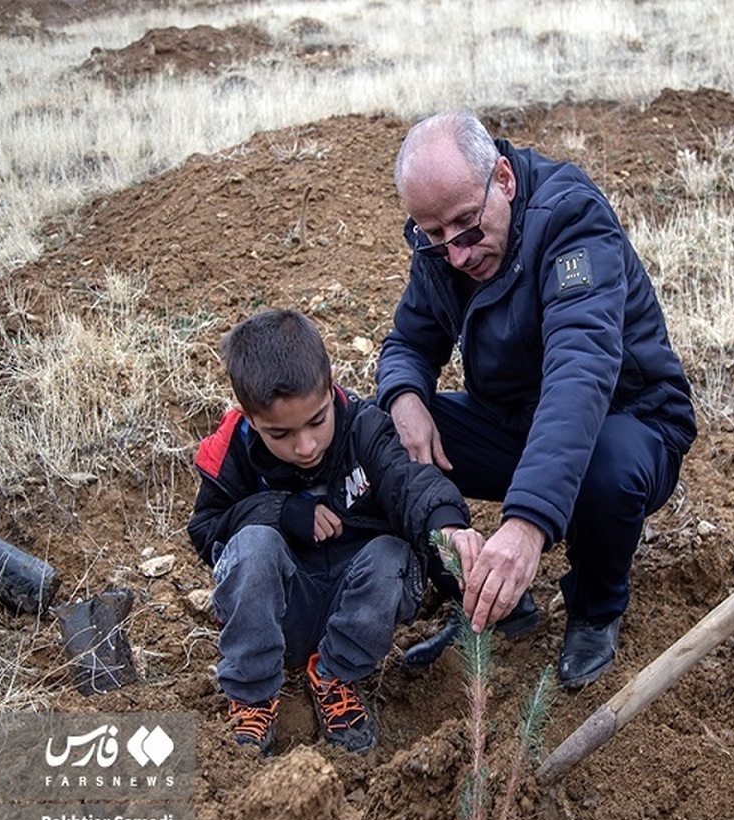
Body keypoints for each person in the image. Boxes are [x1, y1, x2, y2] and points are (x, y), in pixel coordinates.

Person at [377, 111, 697, 689]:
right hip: (514, 422)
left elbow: (580, 374)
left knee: (608, 468)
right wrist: (404, 398)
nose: (457, 254)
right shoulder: (447, 244)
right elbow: (408, 341)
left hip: (626, 419)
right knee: (377, 437)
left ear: (503, 179)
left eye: (467, 227)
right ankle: (484, 595)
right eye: (433, 236)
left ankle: (596, 609)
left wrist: (526, 524)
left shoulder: (572, 220)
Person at [188, 309, 483, 756]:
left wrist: (449, 528)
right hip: (282, 607)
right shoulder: (233, 450)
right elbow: (207, 530)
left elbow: (407, 481)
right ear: (248, 416)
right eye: (280, 434)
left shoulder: (364, 426)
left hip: (358, 609)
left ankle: (333, 676)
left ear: (331, 388)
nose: (304, 446)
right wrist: (282, 511)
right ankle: (252, 694)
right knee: (252, 545)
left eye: (316, 421)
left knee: (392, 556)